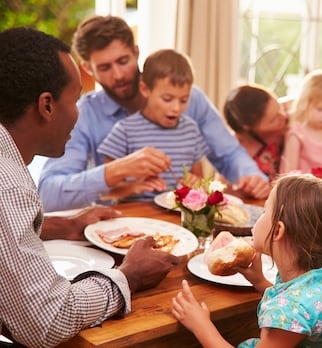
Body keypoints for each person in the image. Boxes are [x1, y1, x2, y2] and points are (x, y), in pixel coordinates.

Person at [0, 27, 179, 347]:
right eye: (75, 99)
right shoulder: (9, 185)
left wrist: (66, 226)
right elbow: (48, 320)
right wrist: (129, 276)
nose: (78, 112)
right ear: (47, 106)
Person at [37, 15, 270, 212]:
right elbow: (47, 194)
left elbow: (228, 154)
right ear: (88, 68)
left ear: (136, 52)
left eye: (123, 61)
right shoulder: (86, 113)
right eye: (105, 67)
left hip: (184, 221)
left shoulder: (190, 99)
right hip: (121, 226)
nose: (118, 75)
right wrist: (114, 171)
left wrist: (252, 177)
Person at [171, 174, 322, 347]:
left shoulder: (289, 312)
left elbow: (291, 310)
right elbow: (295, 302)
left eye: (265, 211)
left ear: (278, 231)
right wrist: (259, 281)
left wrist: (201, 325)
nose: (259, 217)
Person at [98, 49, 207, 201]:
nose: (176, 108)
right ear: (145, 89)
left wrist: (197, 185)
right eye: (167, 99)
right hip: (137, 217)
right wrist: (133, 186)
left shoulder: (191, 130)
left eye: (183, 100)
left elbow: (201, 181)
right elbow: (103, 192)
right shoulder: (125, 130)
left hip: (177, 218)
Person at [223, 84, 289, 181]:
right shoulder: (234, 151)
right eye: (273, 120)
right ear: (248, 127)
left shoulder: (293, 111)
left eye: (280, 108)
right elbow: (223, 187)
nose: (284, 116)